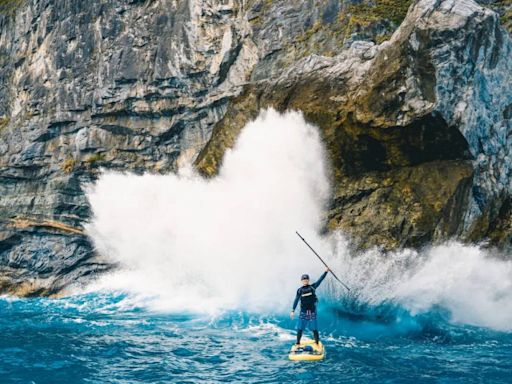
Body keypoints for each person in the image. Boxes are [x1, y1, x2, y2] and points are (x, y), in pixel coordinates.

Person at [290, 269, 330, 345]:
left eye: (306, 279)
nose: (305, 280)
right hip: (303, 311)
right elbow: (296, 300)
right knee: (300, 328)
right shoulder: (299, 290)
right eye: (304, 279)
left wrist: (326, 271)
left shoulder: (313, 287)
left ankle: (317, 343)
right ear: (301, 281)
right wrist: (292, 310)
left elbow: (320, 279)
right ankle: (298, 343)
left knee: (314, 328)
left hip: (312, 311)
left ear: (308, 280)